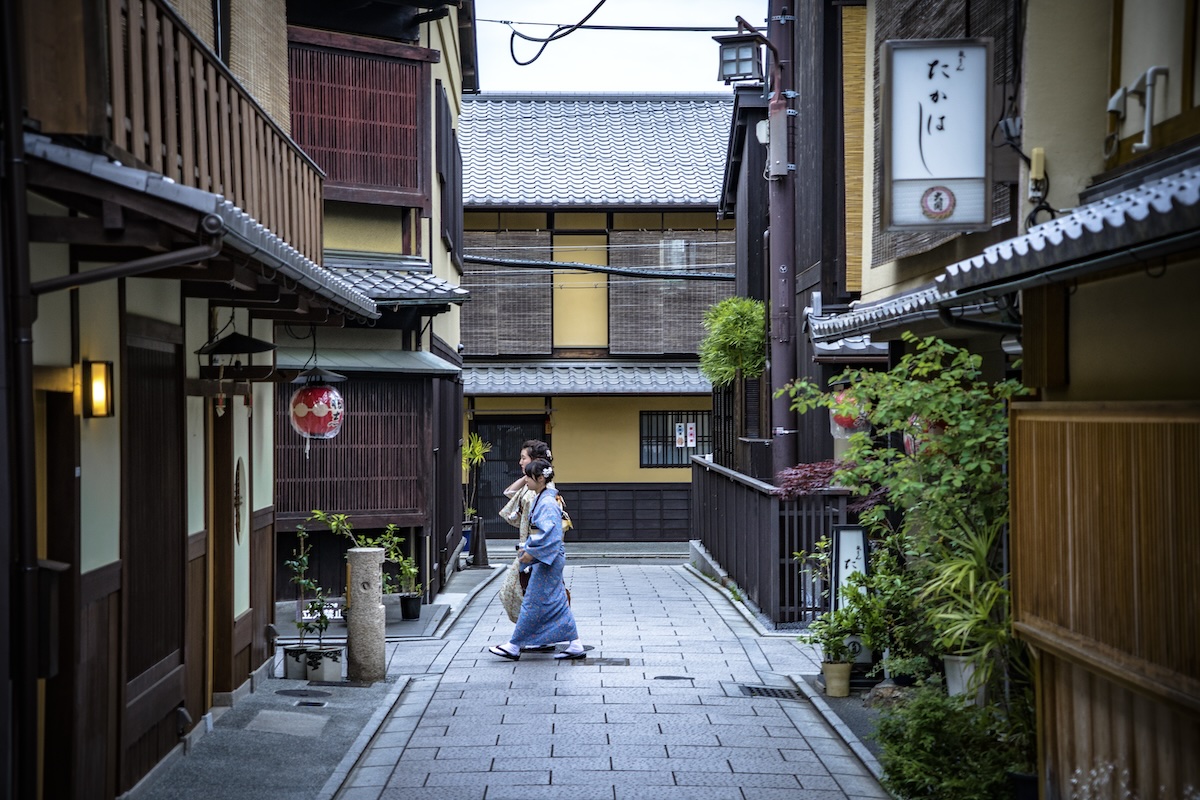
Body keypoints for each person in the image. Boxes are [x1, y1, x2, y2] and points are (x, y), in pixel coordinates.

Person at [489, 458, 585, 661]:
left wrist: (532, 552)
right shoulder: (545, 497)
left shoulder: (548, 502)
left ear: (540, 479)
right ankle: (575, 643)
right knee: (556, 600)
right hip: (548, 557)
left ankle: (514, 645)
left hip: (546, 558)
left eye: (528, 477)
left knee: (533, 601)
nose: (526, 481)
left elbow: (549, 534)